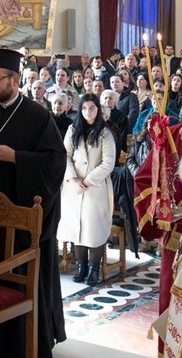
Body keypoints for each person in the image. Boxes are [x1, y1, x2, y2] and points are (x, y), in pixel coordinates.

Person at [0, 48, 67, 358]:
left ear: (14, 79)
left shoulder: (37, 116)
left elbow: (56, 162)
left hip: (22, 219)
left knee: (19, 273)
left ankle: (24, 346)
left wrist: (15, 158)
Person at [134, 116, 182, 358]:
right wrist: (162, 207)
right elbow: (143, 180)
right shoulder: (171, 135)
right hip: (177, 244)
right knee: (173, 310)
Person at [58, 94, 116, 285]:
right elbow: (65, 156)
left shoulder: (105, 132)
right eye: (84, 108)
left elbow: (108, 162)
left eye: (91, 108)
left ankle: (93, 268)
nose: (88, 112)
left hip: (95, 187)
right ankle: (81, 266)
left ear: (97, 110)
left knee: (93, 228)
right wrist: (73, 179)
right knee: (77, 227)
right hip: (73, 187)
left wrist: (88, 181)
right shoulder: (73, 129)